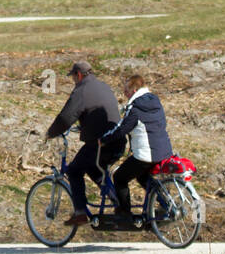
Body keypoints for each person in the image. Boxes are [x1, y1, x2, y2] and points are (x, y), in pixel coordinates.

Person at [45, 59, 123, 228]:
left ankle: (80, 212)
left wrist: (51, 133)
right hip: (118, 141)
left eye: (73, 77)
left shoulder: (81, 90)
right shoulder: (103, 86)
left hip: (101, 144)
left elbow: (66, 117)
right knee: (92, 167)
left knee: (73, 170)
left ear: (78, 75)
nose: (73, 80)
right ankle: (118, 203)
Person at [101, 74, 173, 215]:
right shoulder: (155, 101)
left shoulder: (135, 108)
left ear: (133, 90)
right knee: (141, 176)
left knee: (119, 177)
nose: (124, 94)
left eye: (126, 91)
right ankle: (163, 202)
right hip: (163, 151)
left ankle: (124, 214)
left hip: (146, 155)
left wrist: (104, 139)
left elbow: (122, 129)